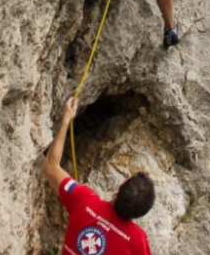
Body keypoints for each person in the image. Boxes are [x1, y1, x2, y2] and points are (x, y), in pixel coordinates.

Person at [42, 98, 156, 255]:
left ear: (117, 192)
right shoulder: (136, 241)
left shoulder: (83, 199)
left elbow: (50, 166)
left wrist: (65, 121)